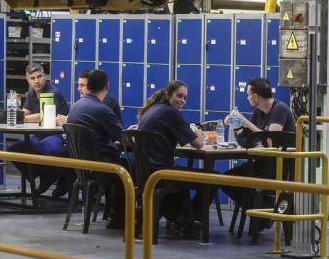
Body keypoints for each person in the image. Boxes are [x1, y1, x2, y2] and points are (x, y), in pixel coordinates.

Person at [223, 77, 297, 237]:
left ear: (255, 96)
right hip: (263, 163)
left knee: (237, 182)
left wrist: (246, 122)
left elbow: (271, 143)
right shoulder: (259, 112)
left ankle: (262, 212)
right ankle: (263, 212)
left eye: (249, 95)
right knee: (227, 180)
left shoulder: (280, 109)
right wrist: (236, 124)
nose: (247, 98)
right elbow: (253, 136)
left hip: (279, 167)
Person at [136, 81, 206, 238]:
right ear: (168, 95)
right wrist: (200, 133)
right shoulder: (170, 113)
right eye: (179, 96)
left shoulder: (153, 109)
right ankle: (189, 222)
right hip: (162, 174)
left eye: (185, 98)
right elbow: (199, 144)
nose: (182, 101)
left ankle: (180, 219)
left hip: (145, 173)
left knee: (185, 178)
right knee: (212, 178)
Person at [66, 69, 128, 229]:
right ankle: (119, 217)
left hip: (82, 166)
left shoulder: (76, 106)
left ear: (88, 86)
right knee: (130, 170)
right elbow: (123, 139)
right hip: (99, 166)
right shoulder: (102, 109)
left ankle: (116, 214)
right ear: (106, 86)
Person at [13, 63, 71, 196]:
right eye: (32, 78)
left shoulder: (52, 92)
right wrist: (16, 106)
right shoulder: (31, 94)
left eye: (39, 77)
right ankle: (46, 175)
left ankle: (54, 176)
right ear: (27, 79)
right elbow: (25, 113)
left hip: (58, 135)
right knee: (15, 149)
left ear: (44, 76)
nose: (37, 81)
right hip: (40, 134)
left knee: (40, 149)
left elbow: (44, 114)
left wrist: (21, 117)